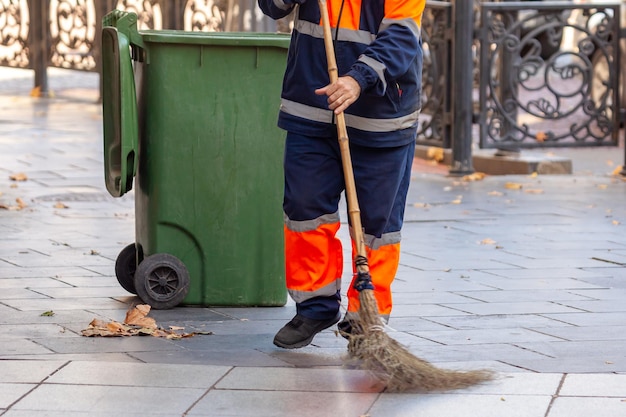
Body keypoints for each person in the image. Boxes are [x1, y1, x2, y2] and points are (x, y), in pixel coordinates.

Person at [258, 0, 426, 349]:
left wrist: (357, 79)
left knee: (377, 225)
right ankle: (315, 306)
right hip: (311, 104)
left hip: (380, 114)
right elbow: (273, 7)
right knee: (305, 209)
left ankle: (367, 316)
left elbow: (402, 37)